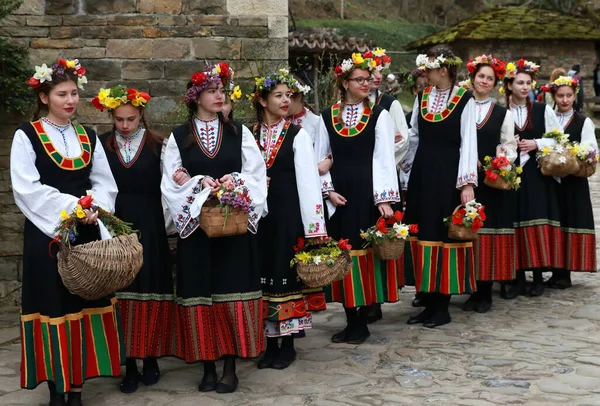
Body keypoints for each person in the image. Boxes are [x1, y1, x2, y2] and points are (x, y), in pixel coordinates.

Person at [12, 58, 121, 406]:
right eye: (62, 94)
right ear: (44, 97)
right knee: (53, 306)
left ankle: (77, 388)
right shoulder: (26, 135)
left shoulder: (88, 136)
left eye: (74, 93)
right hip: (49, 237)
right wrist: (72, 210)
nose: (70, 100)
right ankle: (56, 389)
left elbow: (104, 183)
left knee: (83, 305)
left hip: (86, 236)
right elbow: (26, 188)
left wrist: (95, 209)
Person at [161, 63, 267, 394]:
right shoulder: (179, 137)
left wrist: (233, 182)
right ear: (196, 98)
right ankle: (207, 366)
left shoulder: (239, 132)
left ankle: (230, 366)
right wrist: (199, 184)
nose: (220, 95)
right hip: (198, 232)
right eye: (212, 91)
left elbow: (256, 173)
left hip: (232, 230)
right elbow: (170, 181)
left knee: (230, 292)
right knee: (200, 293)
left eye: (222, 90)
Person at [93, 86, 175, 393]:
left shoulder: (158, 145)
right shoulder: (101, 145)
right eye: (119, 119)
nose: (125, 125)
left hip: (150, 224)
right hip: (115, 223)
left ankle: (150, 357)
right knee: (119, 290)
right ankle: (127, 363)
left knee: (150, 286)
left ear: (141, 114)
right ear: (111, 116)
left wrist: (169, 224)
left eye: (130, 118)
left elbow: (169, 188)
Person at [315, 53, 400, 344]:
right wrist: (327, 190)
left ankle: (362, 320)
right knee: (342, 254)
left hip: (367, 192)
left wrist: (384, 198)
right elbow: (321, 156)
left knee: (364, 255)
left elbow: (384, 158)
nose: (366, 83)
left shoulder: (379, 115)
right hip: (340, 193)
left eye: (368, 79)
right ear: (345, 82)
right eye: (359, 80)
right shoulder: (327, 116)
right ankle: (351, 318)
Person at [251, 69, 327, 369]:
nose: (286, 101)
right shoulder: (249, 134)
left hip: (288, 216)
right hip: (259, 218)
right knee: (263, 278)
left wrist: (314, 228)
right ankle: (269, 343)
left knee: (286, 280)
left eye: (289, 96)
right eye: (278, 96)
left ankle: (289, 344)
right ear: (262, 99)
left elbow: (309, 183)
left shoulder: (298, 134)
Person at [403, 46, 478, 328]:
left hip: (448, 174)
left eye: (430, 69)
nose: (426, 74)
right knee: (425, 233)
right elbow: (414, 137)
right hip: (423, 173)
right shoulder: (423, 97)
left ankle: (442, 305)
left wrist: (467, 183)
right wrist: (404, 168)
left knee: (444, 236)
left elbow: (468, 140)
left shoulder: (464, 99)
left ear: (443, 71)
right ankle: (428, 299)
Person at [501, 59, 562, 298]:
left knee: (535, 220)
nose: (525, 87)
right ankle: (516, 278)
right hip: (510, 174)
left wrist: (536, 143)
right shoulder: (501, 110)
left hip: (535, 174)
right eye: (520, 82)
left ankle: (537, 277)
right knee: (514, 222)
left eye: (528, 83)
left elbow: (558, 138)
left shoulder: (541, 109)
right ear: (509, 85)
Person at [462, 55, 517, 313]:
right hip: (464, 181)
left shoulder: (503, 114)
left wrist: (497, 164)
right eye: (481, 76)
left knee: (487, 233)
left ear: (495, 84)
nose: (484, 81)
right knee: (464, 230)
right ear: (472, 78)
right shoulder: (461, 106)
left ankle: (485, 291)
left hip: (489, 183)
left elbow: (508, 147)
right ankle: (469, 287)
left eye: (489, 78)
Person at [364, 48, 409, 323]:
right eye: (372, 72)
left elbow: (402, 139)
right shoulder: (344, 106)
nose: (377, 77)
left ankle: (378, 298)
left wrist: (377, 158)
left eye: (381, 71)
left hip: (382, 178)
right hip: (356, 180)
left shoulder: (389, 103)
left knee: (381, 236)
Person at [544, 76, 597, 288]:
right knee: (556, 223)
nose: (565, 100)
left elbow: (591, 149)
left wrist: (578, 157)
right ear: (553, 97)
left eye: (569, 95)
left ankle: (566, 273)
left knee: (570, 223)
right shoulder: (549, 119)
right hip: (552, 182)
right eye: (560, 96)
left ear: (575, 96)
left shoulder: (583, 122)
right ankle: (556, 269)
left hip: (574, 183)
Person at [286, 75, 320, 143]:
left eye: (287, 96)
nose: (282, 100)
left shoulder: (317, 122)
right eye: (279, 96)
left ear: (299, 96)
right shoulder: (277, 122)